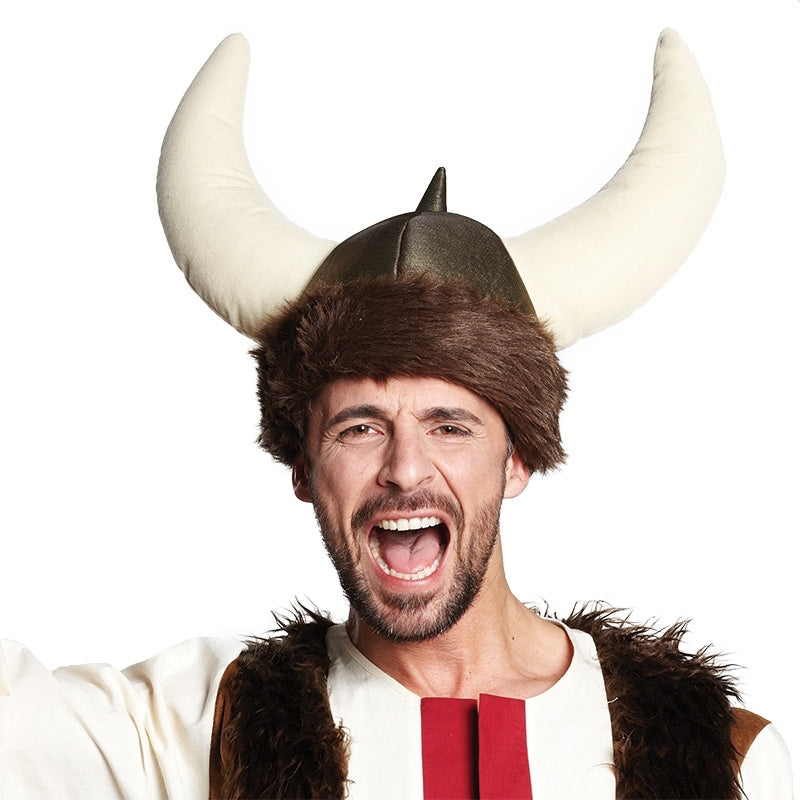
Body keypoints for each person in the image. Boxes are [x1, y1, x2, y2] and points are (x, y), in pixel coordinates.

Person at [2, 30, 793, 800]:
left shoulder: (727, 763)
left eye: (449, 425)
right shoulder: (193, 730)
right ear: (303, 466)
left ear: (518, 459)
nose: (405, 469)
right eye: (360, 427)